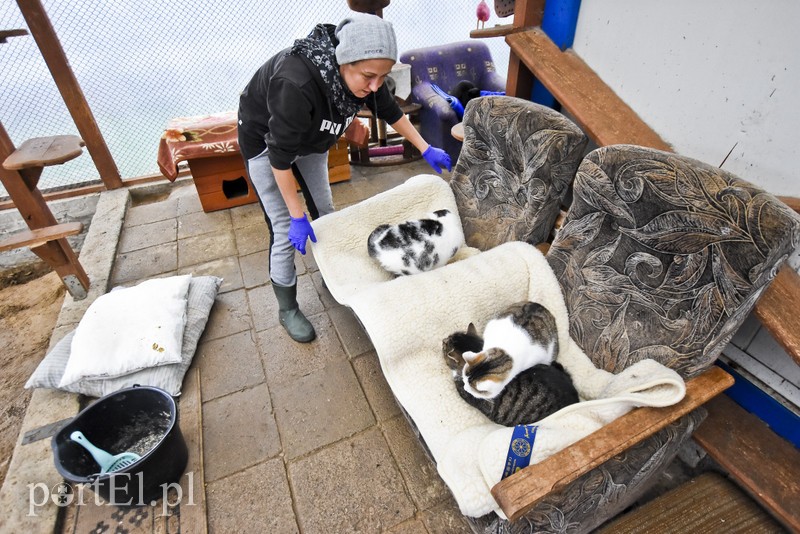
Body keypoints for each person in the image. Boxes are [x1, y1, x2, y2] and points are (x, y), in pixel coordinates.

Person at [238, 13, 451, 343]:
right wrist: (296, 216)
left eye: (382, 77)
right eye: (368, 76)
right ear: (344, 61)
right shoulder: (296, 84)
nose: (375, 85)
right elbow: (280, 160)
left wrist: (425, 148)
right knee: (283, 228)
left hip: (310, 138)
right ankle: (288, 308)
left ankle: (332, 273)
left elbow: (391, 111)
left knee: (326, 211)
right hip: (267, 144)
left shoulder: (368, 75)